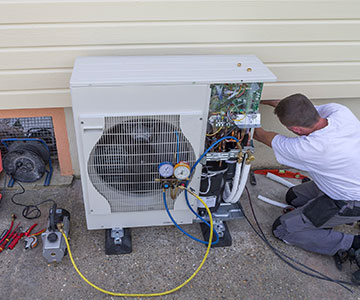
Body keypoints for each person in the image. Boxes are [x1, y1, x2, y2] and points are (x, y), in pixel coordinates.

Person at [254, 93, 360, 283]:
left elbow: (259, 134)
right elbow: (286, 105)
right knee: (293, 197)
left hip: (349, 200)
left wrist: (238, 115)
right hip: (346, 181)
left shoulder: (311, 148)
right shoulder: (339, 112)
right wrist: (254, 99)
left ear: (296, 129)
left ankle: (352, 244)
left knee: (283, 230)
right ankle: (327, 217)